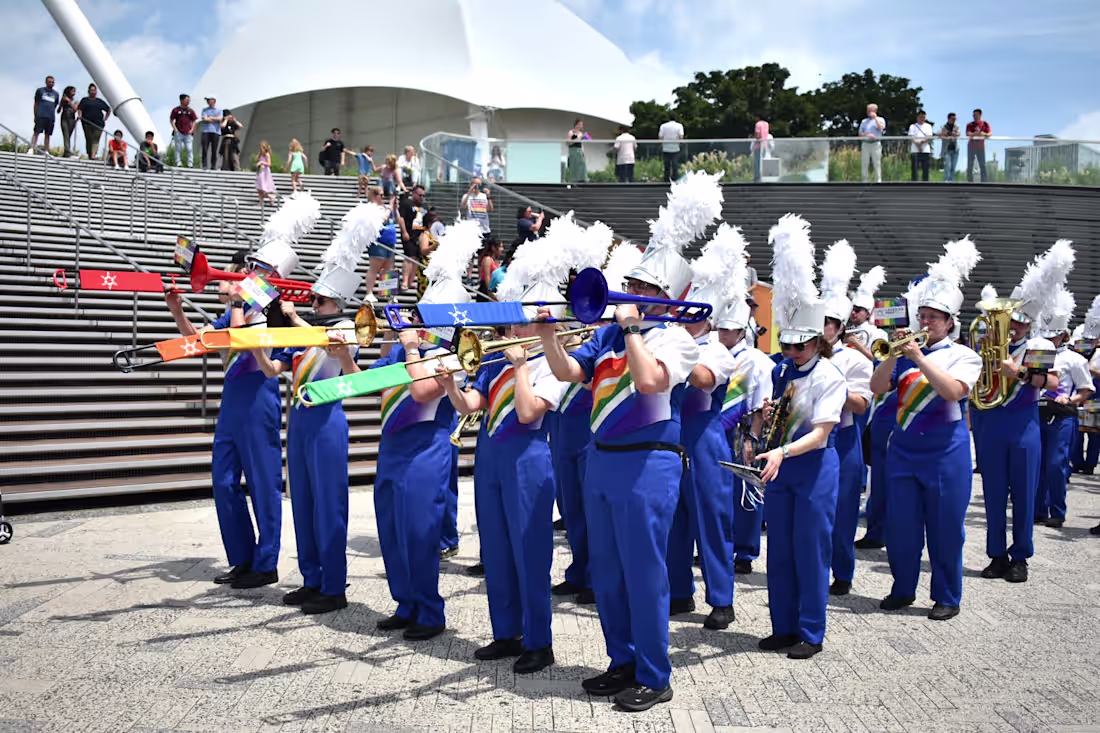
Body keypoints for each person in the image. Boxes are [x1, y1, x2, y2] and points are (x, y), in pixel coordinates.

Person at [535, 172, 716, 712]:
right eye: (630, 287)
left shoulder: (678, 339)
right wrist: (547, 335)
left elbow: (650, 382)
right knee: (608, 572)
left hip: (649, 465)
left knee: (643, 572)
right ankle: (622, 661)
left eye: (643, 290)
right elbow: (569, 372)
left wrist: (633, 329)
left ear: (666, 297)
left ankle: (655, 674)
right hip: (604, 461)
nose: (630, 296)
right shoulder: (611, 335)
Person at [441, 230, 581, 674]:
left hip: (528, 464)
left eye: (523, 324)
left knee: (529, 552)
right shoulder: (497, 364)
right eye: (513, 323)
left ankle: (540, 641)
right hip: (490, 463)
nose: (512, 331)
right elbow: (470, 405)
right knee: (497, 550)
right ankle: (506, 632)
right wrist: (449, 384)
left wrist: (522, 365)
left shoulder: (551, 367)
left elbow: (526, 413)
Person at [163, 242, 300, 590]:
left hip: (259, 400)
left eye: (261, 269)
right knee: (224, 482)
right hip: (232, 402)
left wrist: (239, 302)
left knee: (263, 484)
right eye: (252, 266)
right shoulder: (237, 309)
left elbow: (240, 341)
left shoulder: (276, 312)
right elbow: (200, 341)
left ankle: (266, 562)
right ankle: (242, 558)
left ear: (276, 278)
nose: (251, 273)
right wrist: (177, 311)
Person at [371, 220, 484, 642]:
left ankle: (429, 611)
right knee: (393, 528)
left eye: (424, 316)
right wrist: (346, 352)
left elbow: (421, 392)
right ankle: (405, 602)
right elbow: (365, 379)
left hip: (426, 453)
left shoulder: (451, 359)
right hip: (393, 449)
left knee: (419, 531)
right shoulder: (406, 351)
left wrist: (412, 348)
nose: (416, 320)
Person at [871, 241, 982, 621]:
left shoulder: (965, 356)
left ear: (950, 322)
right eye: (924, 315)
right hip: (903, 450)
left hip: (945, 454)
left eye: (935, 317)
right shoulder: (906, 351)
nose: (927, 322)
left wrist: (920, 359)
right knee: (901, 529)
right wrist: (893, 357)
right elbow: (876, 388)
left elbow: (953, 391)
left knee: (945, 530)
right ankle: (902, 589)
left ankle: (947, 595)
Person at [753, 214, 845, 661]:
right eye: (786, 345)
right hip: (782, 466)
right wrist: (768, 417)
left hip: (811, 469)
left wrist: (781, 448)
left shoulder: (831, 375)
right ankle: (783, 626)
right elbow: (778, 419)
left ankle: (811, 631)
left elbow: (822, 434)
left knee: (810, 552)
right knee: (781, 552)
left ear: (818, 343)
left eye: (800, 346)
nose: (790, 353)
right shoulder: (781, 370)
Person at [253, 267, 361, 614]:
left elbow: (330, 347)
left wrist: (297, 319)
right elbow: (273, 370)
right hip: (299, 418)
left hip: (327, 420)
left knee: (329, 506)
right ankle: (311, 578)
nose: (314, 303)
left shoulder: (346, 328)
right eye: (313, 299)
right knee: (303, 503)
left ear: (337, 302)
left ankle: (333, 586)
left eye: (320, 299)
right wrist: (256, 348)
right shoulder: (304, 333)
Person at [977, 241, 1072, 585]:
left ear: (1027, 322)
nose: (1011, 326)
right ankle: (996, 555)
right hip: (991, 422)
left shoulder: (1038, 347)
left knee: (1023, 491)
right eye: (1009, 320)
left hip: (1023, 423)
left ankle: (1021, 556)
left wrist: (1015, 372)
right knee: (993, 492)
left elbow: (1053, 382)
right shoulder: (986, 343)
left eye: (1017, 321)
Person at [667, 225, 745, 631]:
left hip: (704, 440)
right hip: (671, 438)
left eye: (686, 313)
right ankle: (679, 591)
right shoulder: (670, 340)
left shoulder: (718, 350)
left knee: (711, 520)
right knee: (673, 519)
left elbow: (700, 379)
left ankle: (722, 598)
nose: (678, 318)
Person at [815, 243, 873, 597]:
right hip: (809, 437)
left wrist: (834, 389)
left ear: (838, 327)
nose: (822, 329)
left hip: (845, 440)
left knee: (843, 512)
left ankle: (843, 571)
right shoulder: (798, 357)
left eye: (828, 323)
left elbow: (862, 404)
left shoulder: (854, 359)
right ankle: (814, 567)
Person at [720, 291, 774, 575]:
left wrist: (752, 438)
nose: (722, 333)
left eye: (728, 329)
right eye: (720, 328)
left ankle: (745, 550)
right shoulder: (713, 353)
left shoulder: (755, 359)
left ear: (741, 331)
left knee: (745, 491)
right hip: (717, 429)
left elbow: (760, 403)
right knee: (720, 491)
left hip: (743, 432)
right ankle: (722, 544)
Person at [1034, 293, 1094, 528]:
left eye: (1055, 335)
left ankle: (1057, 510)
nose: (1051, 339)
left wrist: (1071, 399)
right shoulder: (1036, 352)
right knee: (1036, 464)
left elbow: (1086, 390)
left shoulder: (1074, 359)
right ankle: (1037, 510)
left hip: (1062, 416)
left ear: (1064, 334)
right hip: (1036, 414)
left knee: (1056, 464)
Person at [363, 188, 397, 301]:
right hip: (379, 242)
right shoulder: (371, 208)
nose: (383, 198)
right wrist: (390, 207)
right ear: (374, 195)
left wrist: (394, 207)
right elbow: (382, 219)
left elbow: (394, 219)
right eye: (381, 195)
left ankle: (388, 294)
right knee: (375, 267)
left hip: (390, 241)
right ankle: (369, 293)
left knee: (388, 268)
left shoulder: (386, 208)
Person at [399, 185, 429, 291]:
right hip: (409, 233)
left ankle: (411, 281)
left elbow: (427, 220)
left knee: (416, 258)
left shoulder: (424, 205)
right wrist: (404, 232)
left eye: (423, 195)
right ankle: (405, 281)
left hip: (420, 235)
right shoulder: (406, 203)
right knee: (409, 257)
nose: (422, 197)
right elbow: (401, 218)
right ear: (414, 193)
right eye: (420, 195)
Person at [76, 83, 110, 160]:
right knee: (89, 139)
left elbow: (108, 109)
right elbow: (80, 109)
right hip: (87, 123)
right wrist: (80, 115)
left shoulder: (99, 101)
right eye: (91, 90)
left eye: (94, 90)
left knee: (95, 139)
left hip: (98, 124)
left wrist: (105, 118)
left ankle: (93, 155)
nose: (93, 92)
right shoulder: (85, 100)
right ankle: (89, 154)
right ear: (88, 91)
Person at [415, 210, 443, 299]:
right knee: (425, 292)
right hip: (426, 267)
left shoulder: (434, 235)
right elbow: (424, 250)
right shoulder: (425, 235)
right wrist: (435, 245)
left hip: (435, 266)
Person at [30, 75, 59, 155]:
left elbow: (55, 105)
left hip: (50, 117)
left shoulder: (56, 94)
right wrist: (35, 114)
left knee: (48, 134)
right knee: (36, 132)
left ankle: (46, 150)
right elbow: (36, 103)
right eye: (49, 82)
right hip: (40, 115)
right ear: (46, 82)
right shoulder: (40, 90)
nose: (51, 83)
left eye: (53, 82)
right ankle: (31, 148)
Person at [859, 103, 887, 183]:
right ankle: (865, 181)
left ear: (874, 111)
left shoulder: (881, 119)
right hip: (865, 143)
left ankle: (878, 181)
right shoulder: (864, 121)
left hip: (876, 143)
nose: (867, 112)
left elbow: (881, 129)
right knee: (864, 163)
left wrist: (875, 119)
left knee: (877, 163)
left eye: (869, 111)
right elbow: (860, 133)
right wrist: (867, 135)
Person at [169, 94, 198, 168]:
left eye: (189, 100)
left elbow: (194, 120)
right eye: (186, 100)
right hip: (179, 132)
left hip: (188, 132)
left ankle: (190, 163)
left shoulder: (190, 111)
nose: (188, 101)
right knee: (178, 148)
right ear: (182, 100)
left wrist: (192, 129)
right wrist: (175, 128)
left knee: (189, 148)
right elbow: (171, 119)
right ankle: (178, 162)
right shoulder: (176, 110)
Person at [461, 177, 493, 242]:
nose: (477, 186)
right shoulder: (466, 196)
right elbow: (463, 207)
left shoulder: (484, 196)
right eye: (475, 184)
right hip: (472, 230)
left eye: (479, 184)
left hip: (484, 229)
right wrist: (469, 192)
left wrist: (488, 196)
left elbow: (490, 209)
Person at [966, 109, 991, 183]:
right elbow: (968, 134)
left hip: (981, 148)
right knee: (970, 165)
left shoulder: (985, 124)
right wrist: (977, 133)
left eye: (976, 115)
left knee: (982, 165)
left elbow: (989, 134)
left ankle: (984, 182)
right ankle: (970, 182)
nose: (974, 116)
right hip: (971, 148)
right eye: (973, 115)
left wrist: (984, 134)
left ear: (980, 115)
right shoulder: (970, 124)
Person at [908, 110, 934, 182]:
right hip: (915, 150)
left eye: (923, 117)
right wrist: (917, 143)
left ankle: (925, 182)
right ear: (917, 117)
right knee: (915, 168)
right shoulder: (912, 126)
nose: (922, 118)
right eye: (920, 117)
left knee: (925, 168)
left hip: (925, 149)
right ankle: (914, 182)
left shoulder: (928, 126)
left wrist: (922, 142)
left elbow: (929, 136)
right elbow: (911, 136)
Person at [658, 116, 685, 182]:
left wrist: (662, 144)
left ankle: (666, 181)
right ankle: (675, 180)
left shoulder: (663, 126)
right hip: (675, 148)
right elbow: (681, 137)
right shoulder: (679, 125)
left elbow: (660, 137)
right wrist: (679, 144)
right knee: (675, 166)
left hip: (666, 148)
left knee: (666, 166)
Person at [200, 97, 223, 170]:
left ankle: (213, 166)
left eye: (209, 100)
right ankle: (204, 165)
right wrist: (214, 119)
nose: (208, 101)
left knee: (214, 150)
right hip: (206, 131)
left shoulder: (219, 110)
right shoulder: (204, 110)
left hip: (215, 131)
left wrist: (210, 118)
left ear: (214, 101)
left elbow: (220, 119)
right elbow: (205, 119)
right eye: (207, 100)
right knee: (204, 149)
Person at [938, 112, 961, 183]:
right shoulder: (943, 126)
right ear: (949, 119)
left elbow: (958, 134)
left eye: (955, 119)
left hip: (955, 149)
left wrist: (952, 134)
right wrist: (946, 133)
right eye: (953, 119)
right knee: (947, 165)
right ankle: (946, 180)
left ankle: (951, 181)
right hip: (946, 149)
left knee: (953, 167)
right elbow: (939, 134)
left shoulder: (957, 126)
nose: (954, 120)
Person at [57, 85, 77, 158]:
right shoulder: (64, 99)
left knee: (69, 135)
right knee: (66, 135)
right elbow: (58, 111)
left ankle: (66, 152)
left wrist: (69, 101)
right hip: (64, 117)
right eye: (72, 90)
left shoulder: (75, 100)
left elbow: (75, 109)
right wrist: (62, 103)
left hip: (72, 118)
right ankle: (68, 151)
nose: (74, 92)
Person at [752, 112, 770, 182]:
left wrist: (755, 137)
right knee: (762, 163)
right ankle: (763, 178)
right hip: (765, 145)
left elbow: (757, 135)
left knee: (757, 164)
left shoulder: (758, 124)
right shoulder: (766, 124)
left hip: (758, 146)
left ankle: (757, 179)